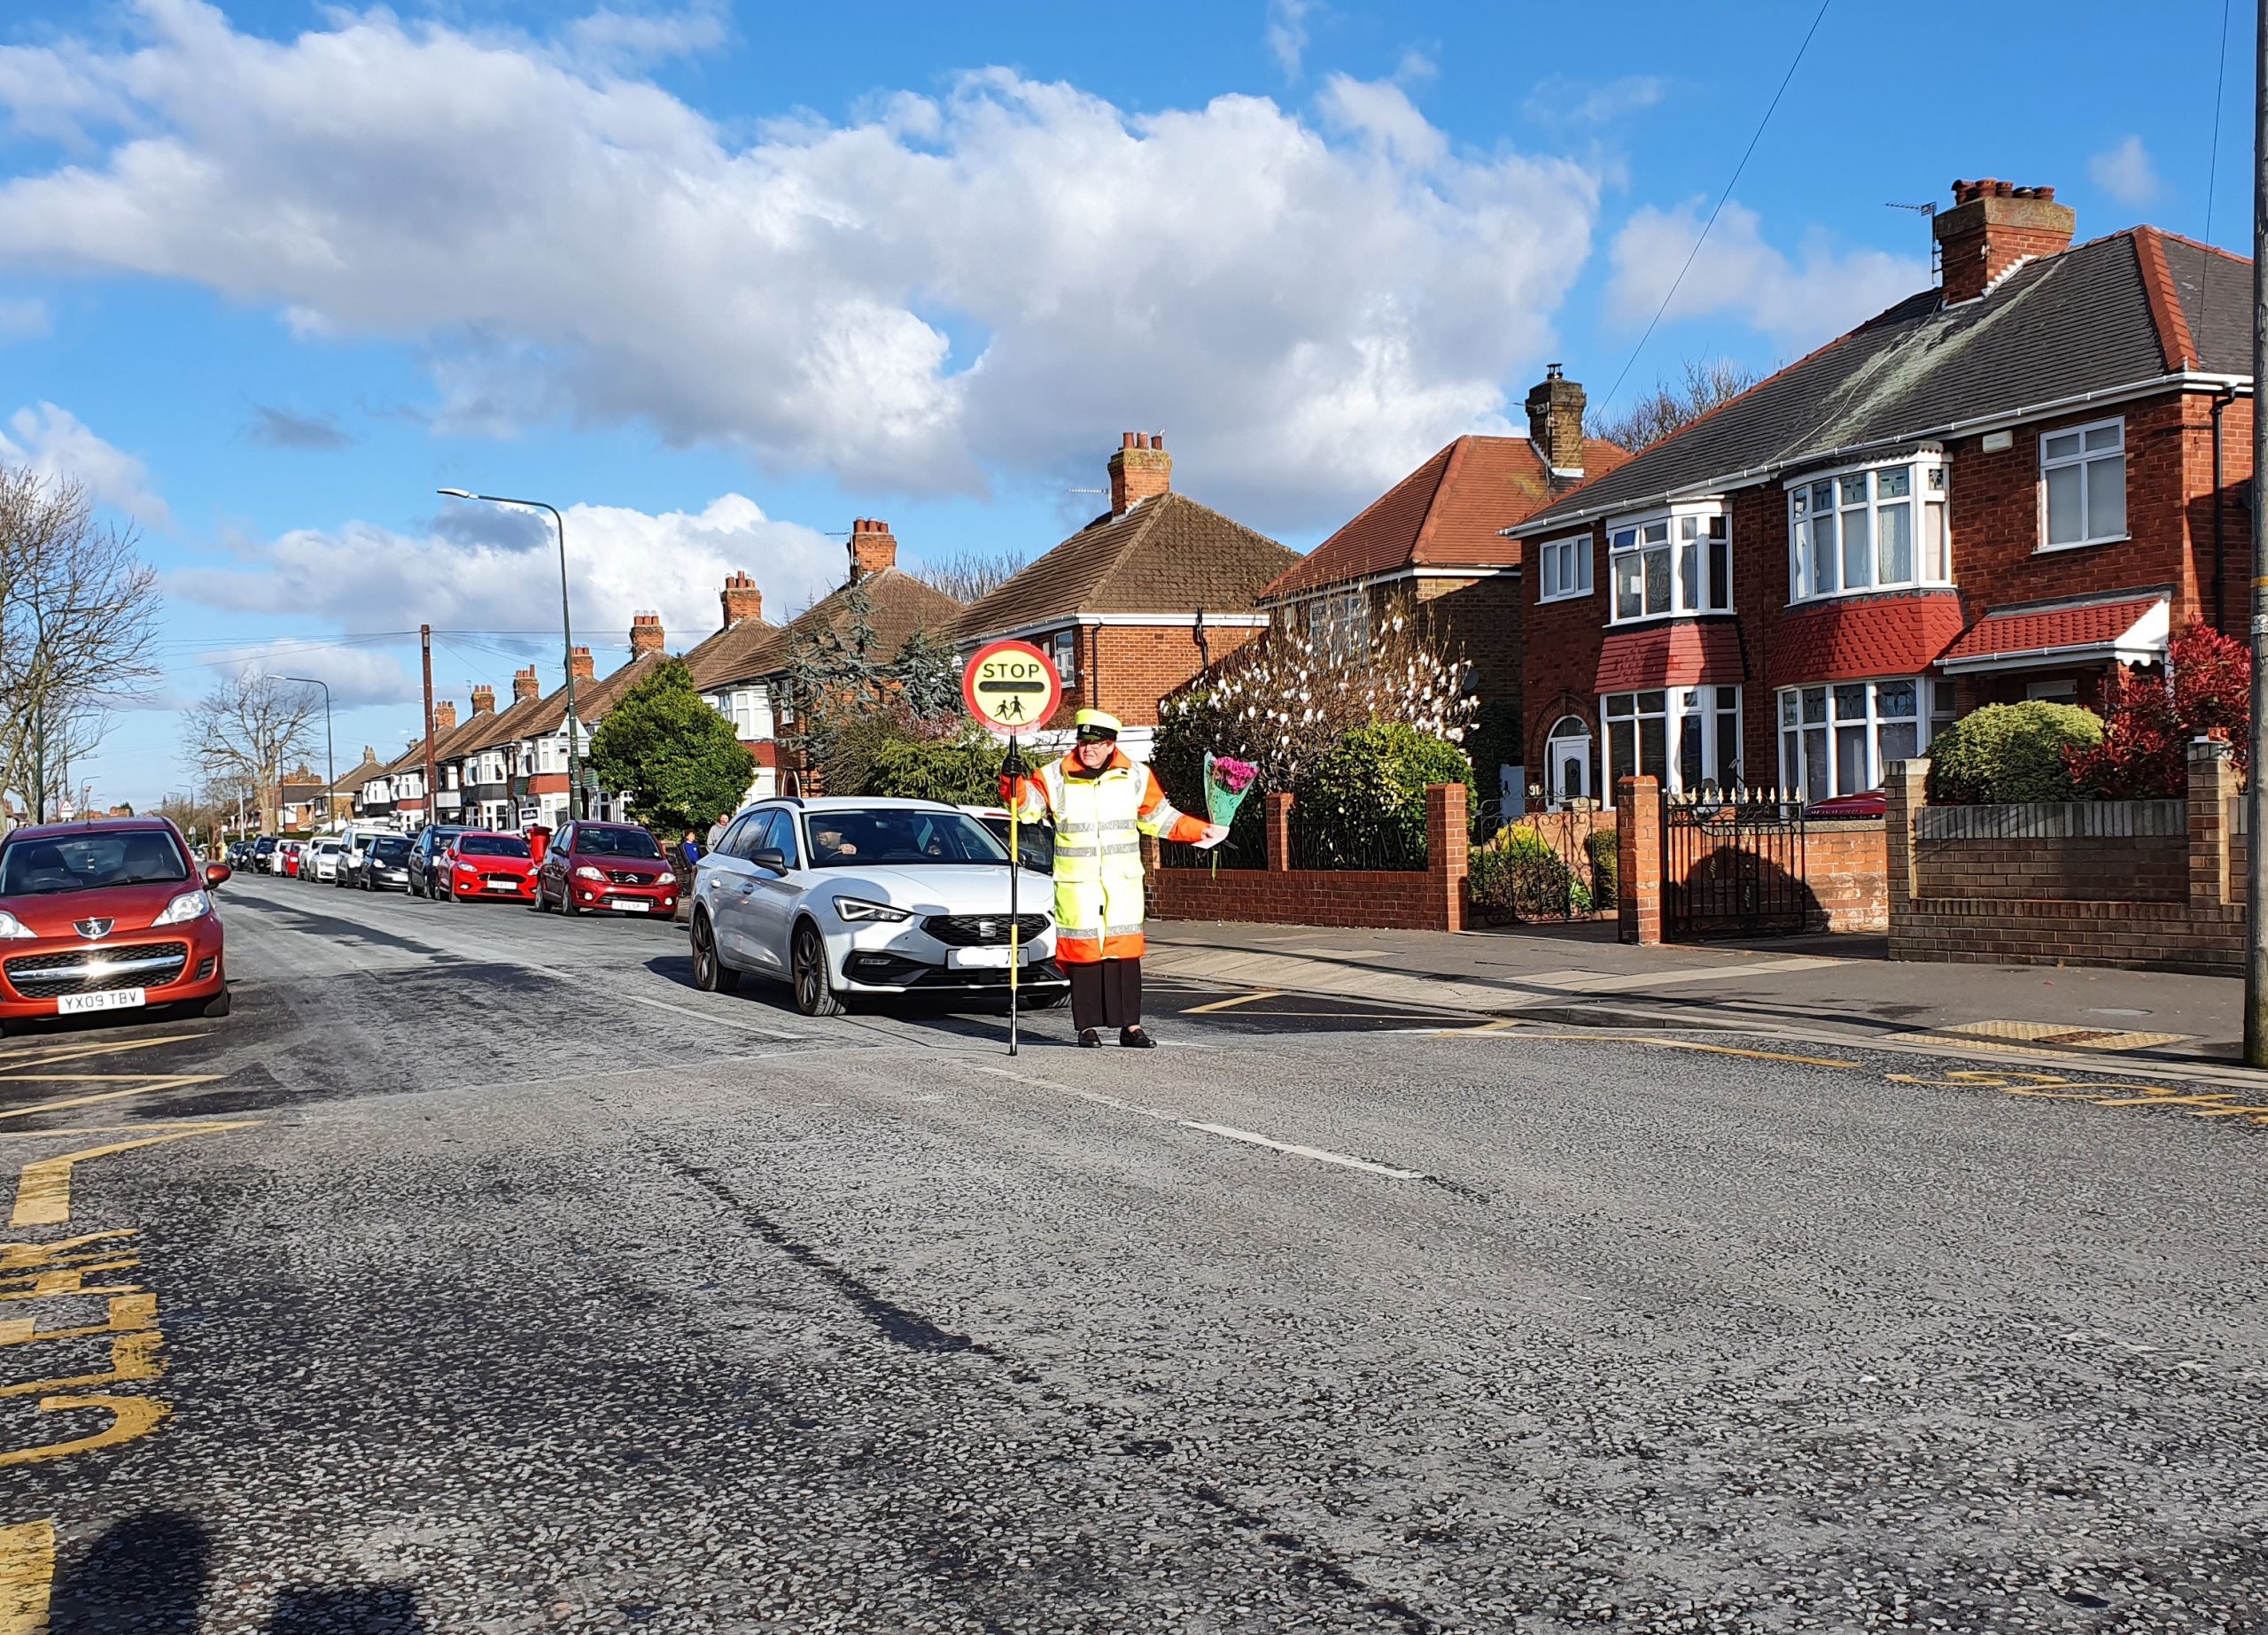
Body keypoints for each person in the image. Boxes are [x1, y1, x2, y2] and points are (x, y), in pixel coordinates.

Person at [1002, 709, 1226, 1048]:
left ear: (1111, 745)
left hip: (1121, 885)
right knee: (1085, 956)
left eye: (1095, 743)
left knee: (1123, 956)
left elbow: (1161, 819)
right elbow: (1025, 808)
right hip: (1078, 886)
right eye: (1082, 741)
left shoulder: (1135, 775)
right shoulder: (1054, 775)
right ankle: (1086, 1028)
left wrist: (1202, 830)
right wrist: (1012, 781)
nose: (1086, 748)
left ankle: (1130, 1027)